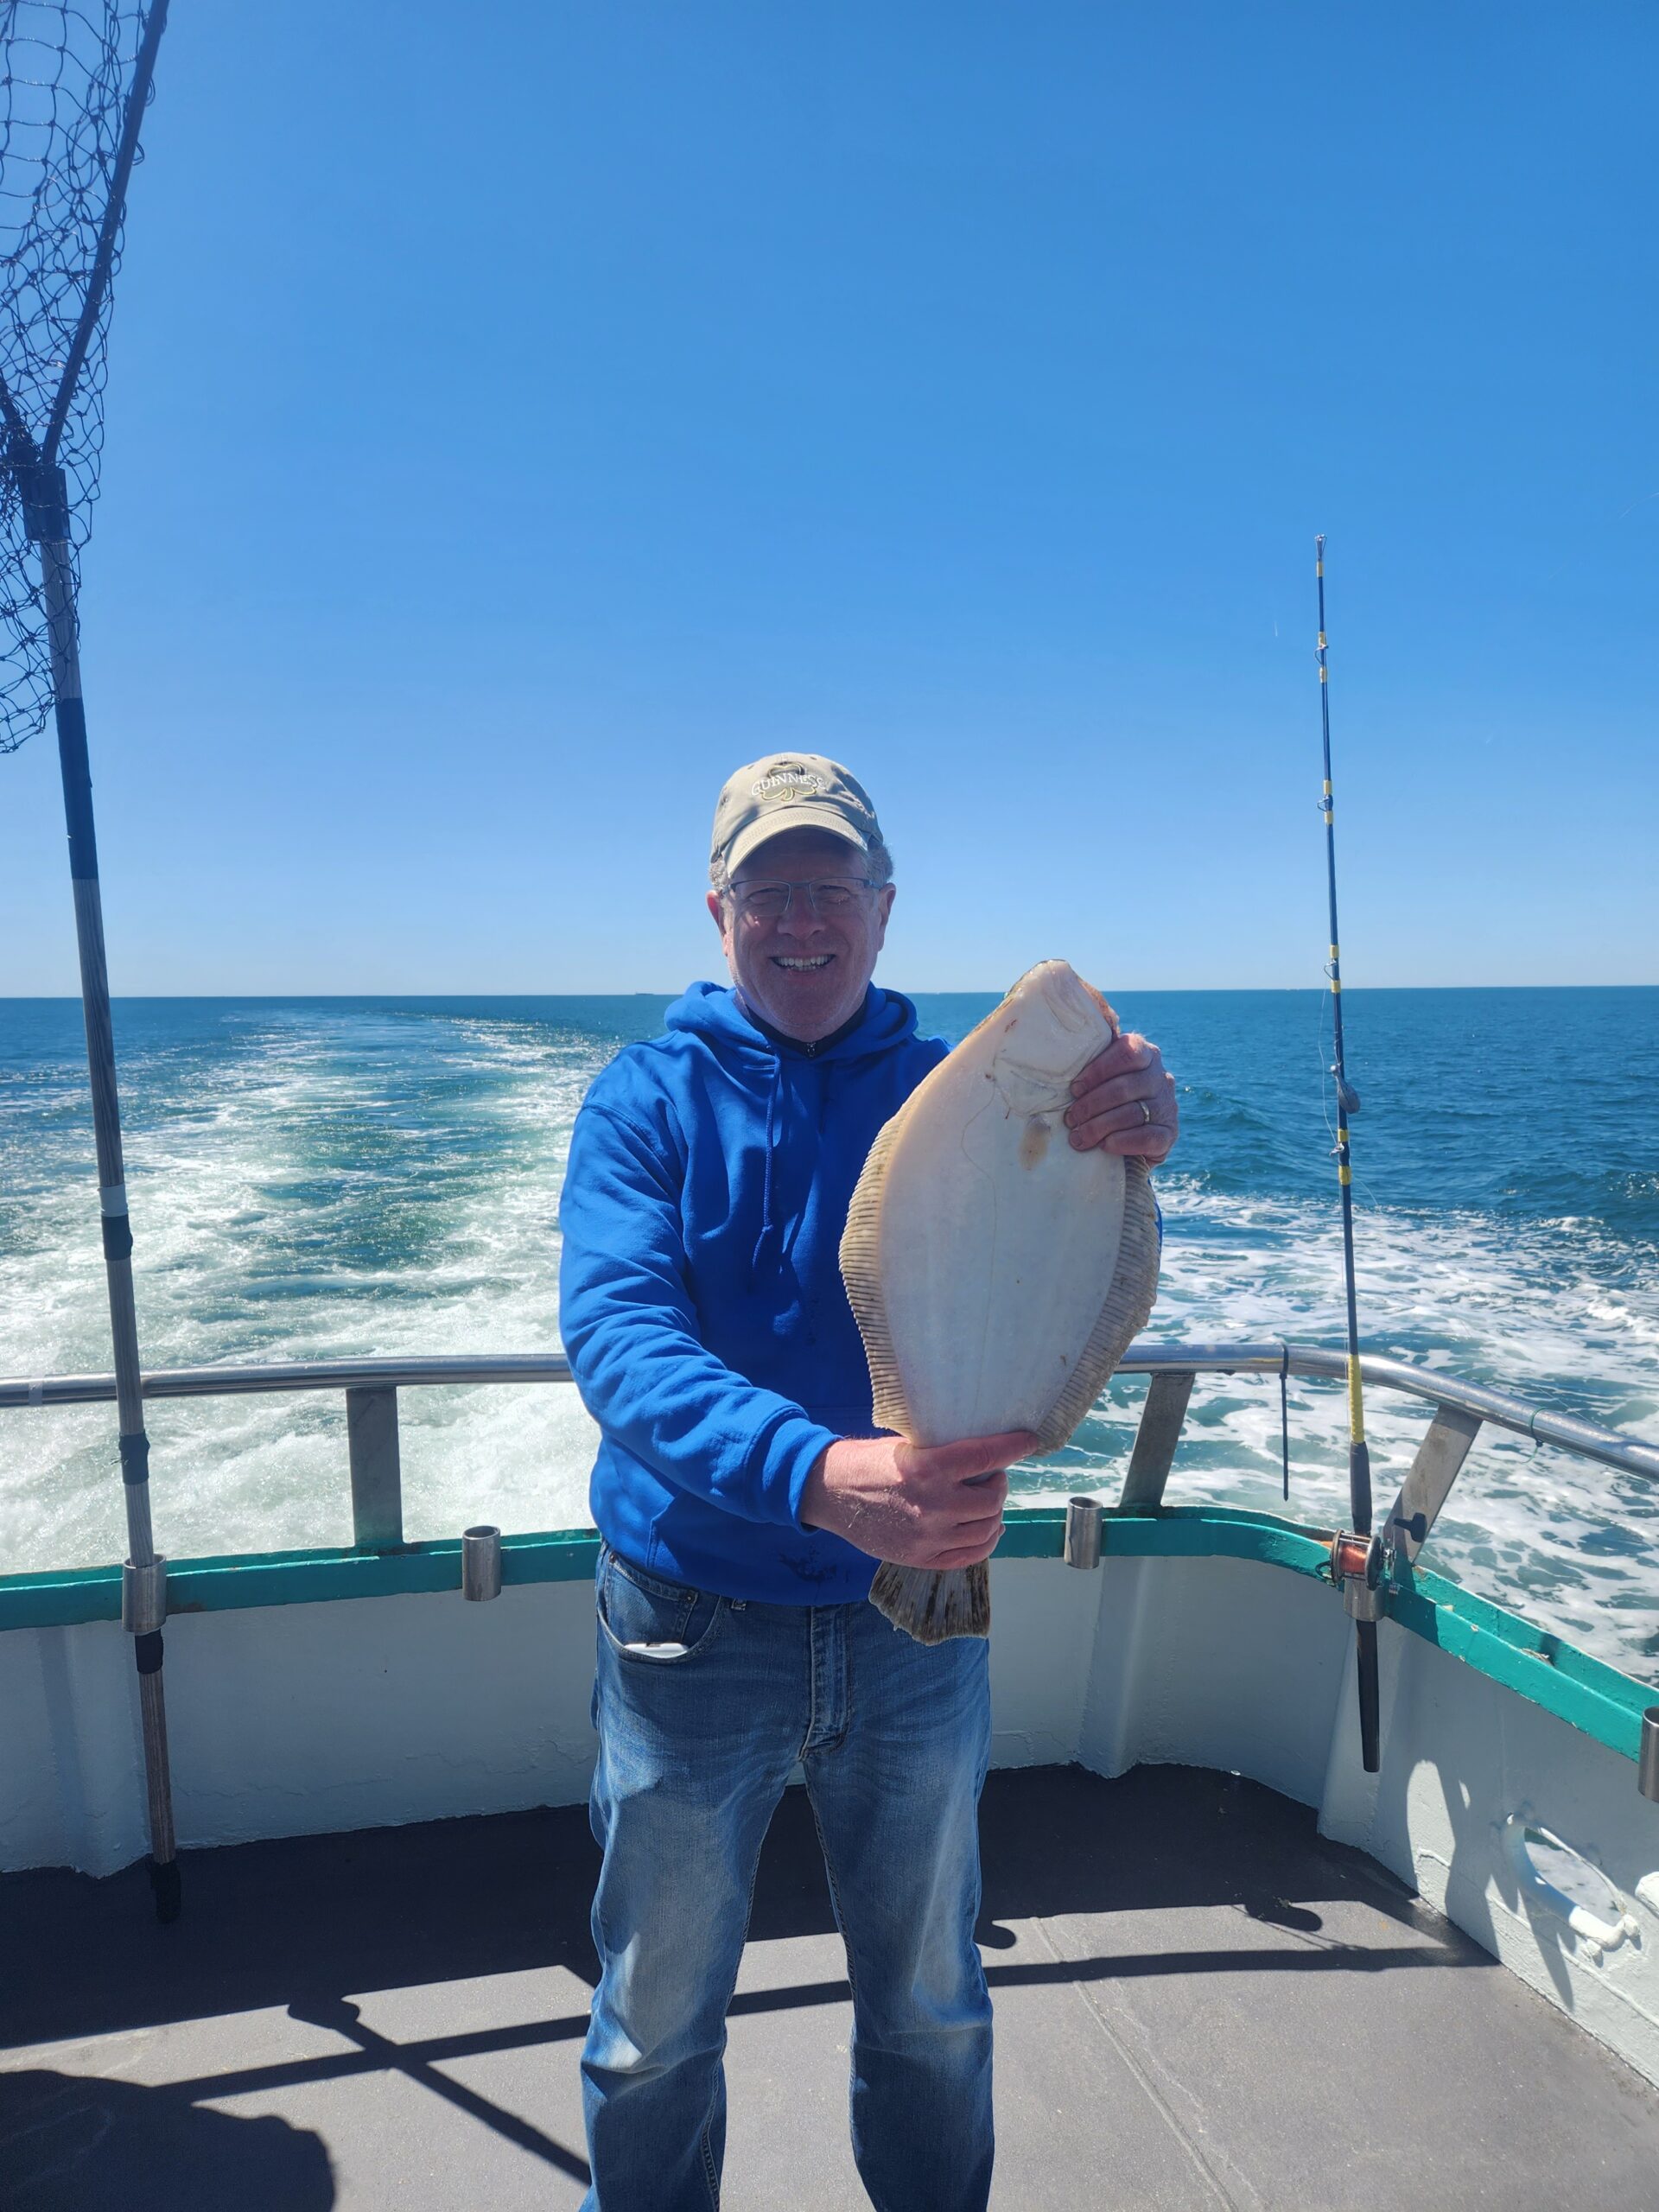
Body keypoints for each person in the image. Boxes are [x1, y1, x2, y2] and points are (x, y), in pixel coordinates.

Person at [558, 755, 1178, 2210]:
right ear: (719, 913)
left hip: (919, 1627)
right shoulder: (642, 1103)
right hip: (685, 1629)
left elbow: (1071, 1266)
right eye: (768, 890)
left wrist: (1129, 1137)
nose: (800, 919)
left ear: (885, 910)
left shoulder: (978, 1093)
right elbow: (618, 1337)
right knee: (652, 2025)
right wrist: (818, 1474)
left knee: (931, 2009)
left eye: (829, 887)